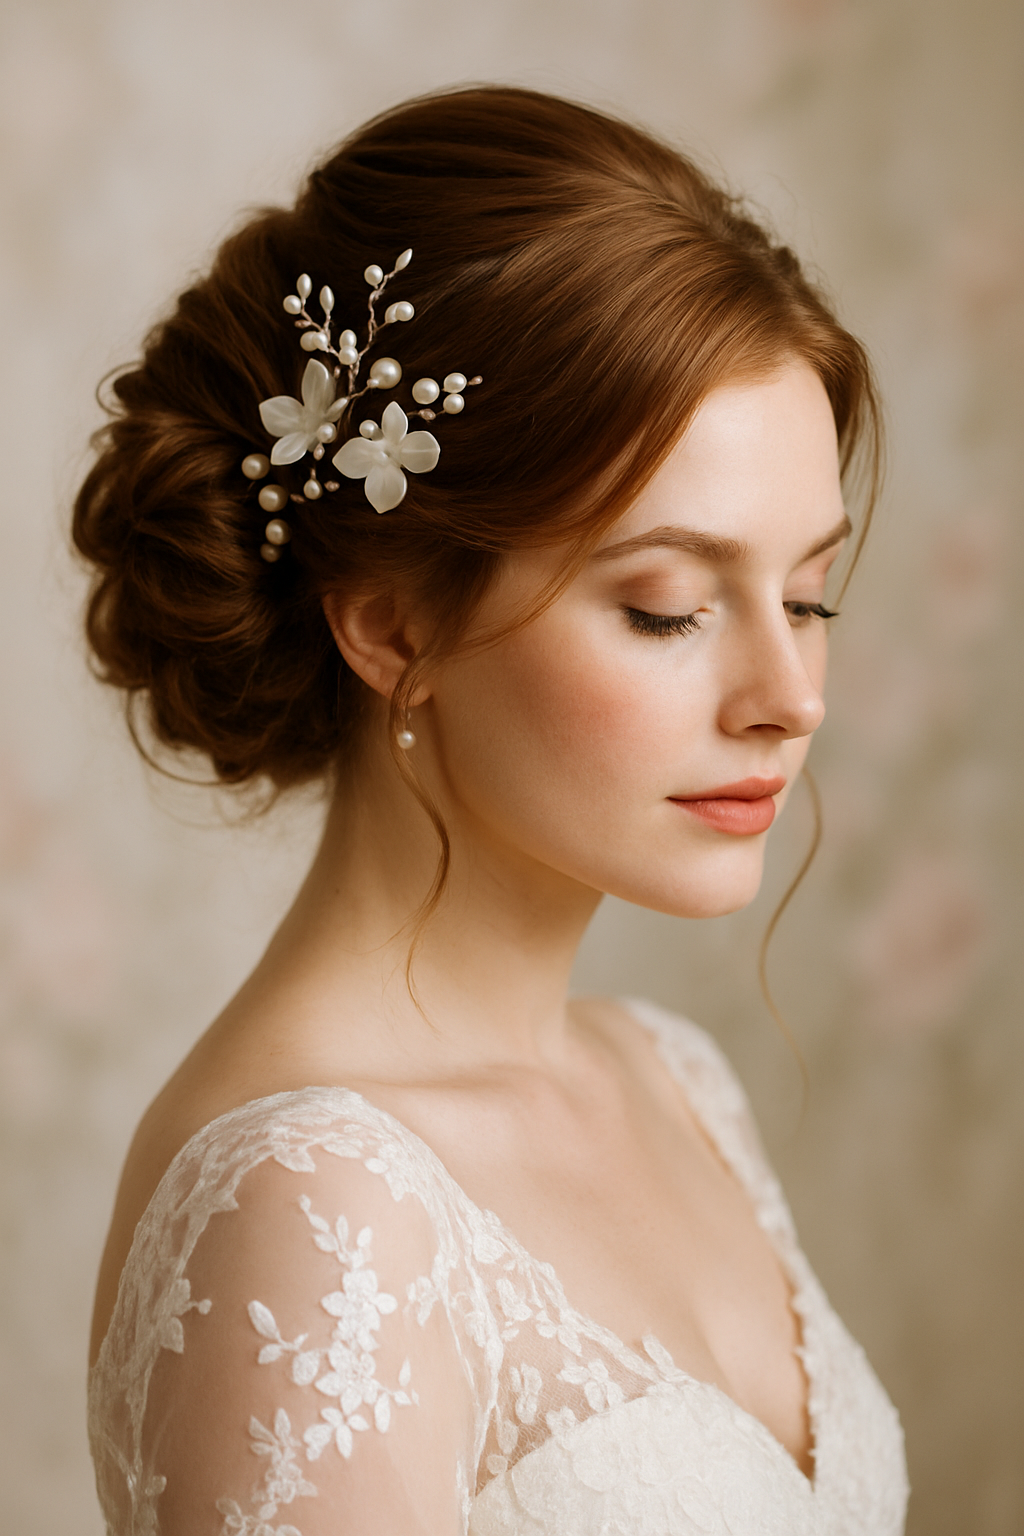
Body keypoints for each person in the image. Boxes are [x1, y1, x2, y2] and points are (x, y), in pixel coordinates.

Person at [76, 85, 908, 1535]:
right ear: (390, 623)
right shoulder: (311, 1207)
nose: (790, 696)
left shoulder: (676, 1081)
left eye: (806, 597)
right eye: (668, 606)